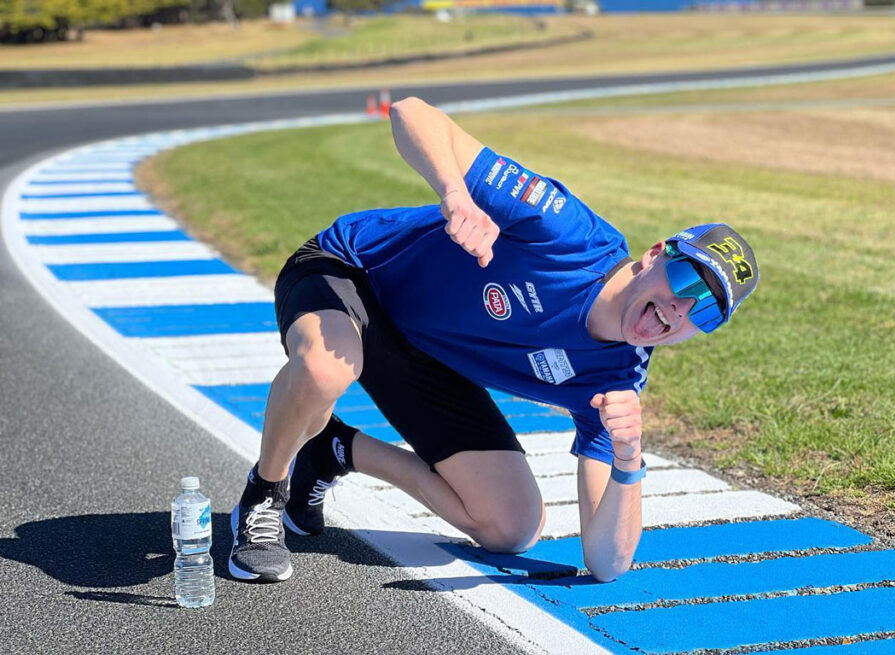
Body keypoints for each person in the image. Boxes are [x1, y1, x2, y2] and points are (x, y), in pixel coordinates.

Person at [227, 97, 759, 584]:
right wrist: (455, 194)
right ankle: (263, 497)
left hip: (423, 351)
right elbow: (410, 111)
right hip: (354, 270)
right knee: (325, 369)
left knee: (511, 527)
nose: (679, 311)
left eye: (706, 311)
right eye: (688, 281)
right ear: (656, 254)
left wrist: (627, 458)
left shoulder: (615, 379)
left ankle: (333, 450)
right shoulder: (567, 233)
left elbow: (606, 563)